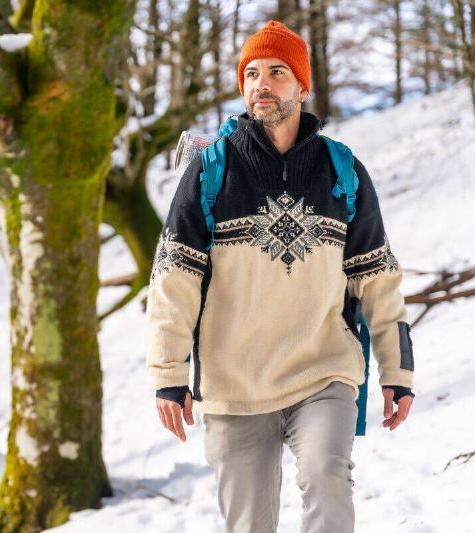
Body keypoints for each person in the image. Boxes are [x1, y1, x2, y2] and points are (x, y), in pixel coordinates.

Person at [145, 20, 416, 533]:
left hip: (323, 369)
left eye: (276, 72)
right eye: (251, 73)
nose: (261, 84)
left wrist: (397, 372)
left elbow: (377, 277)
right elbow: (173, 280)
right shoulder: (210, 171)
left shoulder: (342, 170)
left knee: (327, 478)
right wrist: (168, 376)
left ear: (302, 86)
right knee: (249, 523)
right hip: (234, 383)